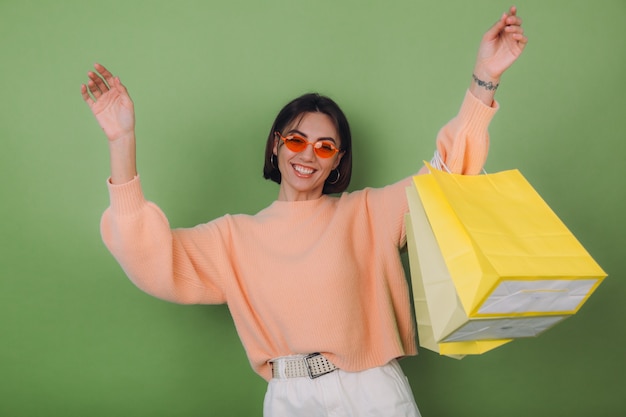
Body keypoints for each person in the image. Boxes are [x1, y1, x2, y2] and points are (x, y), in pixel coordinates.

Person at [81, 6, 527, 416]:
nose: (308, 155)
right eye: (296, 140)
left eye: (325, 146)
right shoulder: (234, 238)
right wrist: (122, 143)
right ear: (277, 145)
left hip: (371, 393)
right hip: (289, 399)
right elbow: (151, 261)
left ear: (337, 161)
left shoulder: (367, 214)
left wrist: (484, 78)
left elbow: (447, 177)